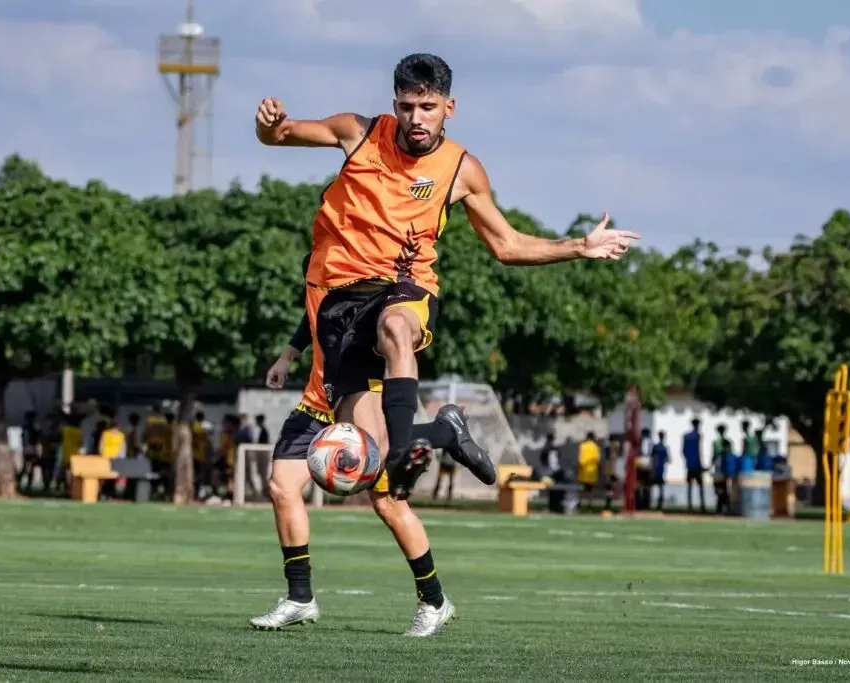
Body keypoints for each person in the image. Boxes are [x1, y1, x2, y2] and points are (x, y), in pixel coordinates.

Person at [255, 52, 638, 504]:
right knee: (364, 458)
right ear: (394, 103)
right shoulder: (357, 133)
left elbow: (506, 246)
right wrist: (268, 122)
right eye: (406, 107)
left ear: (448, 109)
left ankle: (403, 457)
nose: (416, 118)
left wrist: (578, 246)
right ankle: (441, 431)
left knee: (396, 327)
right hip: (342, 304)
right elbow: (279, 135)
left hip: (405, 287)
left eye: (428, 108)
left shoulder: (461, 170)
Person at [250, 253, 490, 637]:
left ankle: (434, 600)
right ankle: (300, 598)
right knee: (282, 485)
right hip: (318, 400)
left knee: (388, 502)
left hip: (360, 392)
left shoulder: (367, 274)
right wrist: (288, 355)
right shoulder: (319, 267)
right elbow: (311, 317)